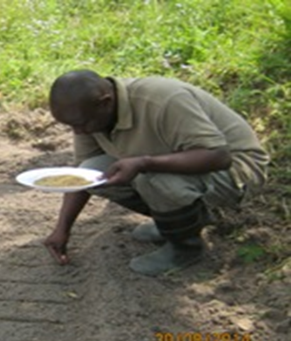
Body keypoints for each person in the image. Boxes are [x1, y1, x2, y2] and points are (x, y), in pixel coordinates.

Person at [44, 69, 269, 276]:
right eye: (70, 126)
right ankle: (178, 222)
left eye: (80, 124)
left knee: (152, 178)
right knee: (93, 172)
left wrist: (143, 162)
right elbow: (82, 176)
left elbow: (219, 156)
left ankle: (185, 247)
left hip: (237, 172)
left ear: (105, 103)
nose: (77, 131)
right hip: (175, 161)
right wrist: (62, 229)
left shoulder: (163, 100)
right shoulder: (90, 114)